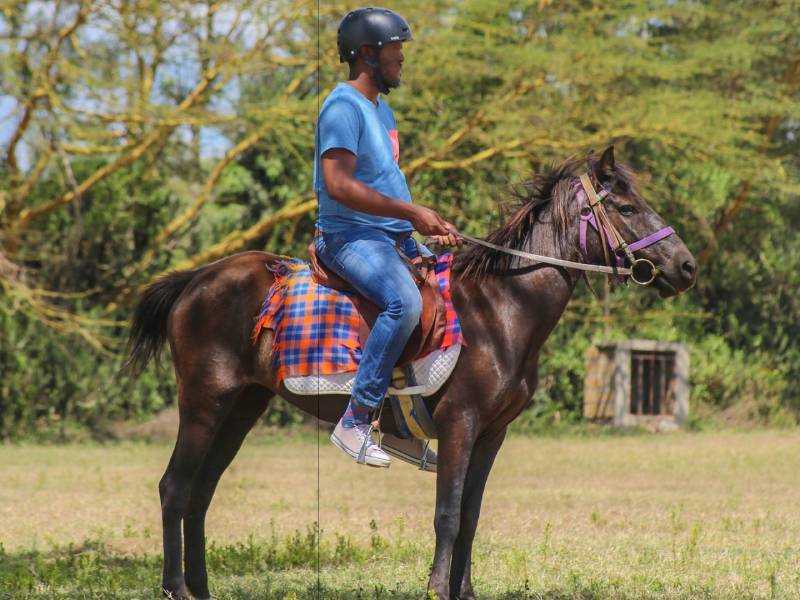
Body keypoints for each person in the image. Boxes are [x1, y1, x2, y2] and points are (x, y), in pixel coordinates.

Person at [314, 7, 460, 467]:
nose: (401, 58)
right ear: (367, 53)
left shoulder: (382, 108)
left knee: (453, 290)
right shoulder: (342, 107)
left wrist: (425, 225)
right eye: (395, 49)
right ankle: (355, 419)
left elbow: (383, 180)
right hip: (348, 237)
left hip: (392, 238)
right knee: (404, 304)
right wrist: (412, 213)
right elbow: (338, 185)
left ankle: (400, 428)